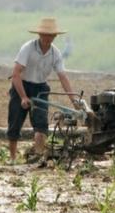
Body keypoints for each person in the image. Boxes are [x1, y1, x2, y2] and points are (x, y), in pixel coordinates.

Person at [8, 17, 76, 162]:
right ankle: (12, 159)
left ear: (55, 36)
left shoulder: (55, 53)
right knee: (15, 123)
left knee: (41, 125)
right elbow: (15, 74)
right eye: (45, 35)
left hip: (40, 88)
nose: (47, 38)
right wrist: (23, 97)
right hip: (22, 85)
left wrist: (73, 99)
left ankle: (38, 157)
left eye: (50, 35)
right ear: (39, 35)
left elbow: (63, 76)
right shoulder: (28, 48)